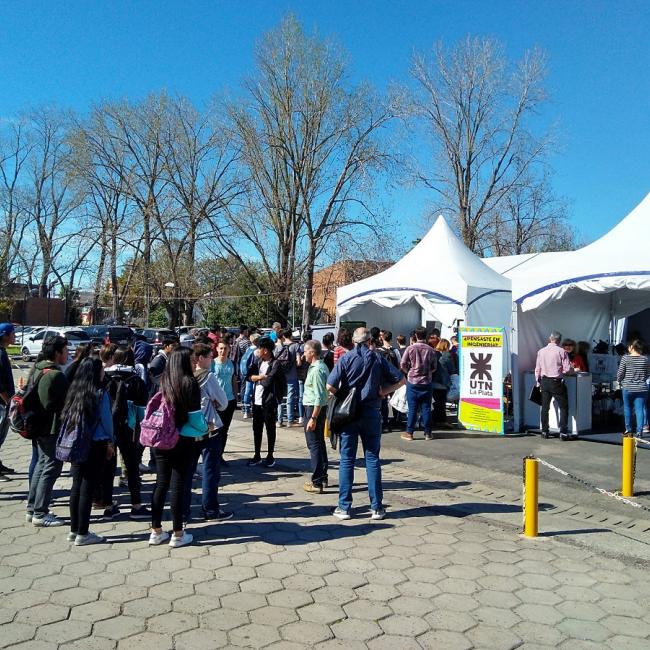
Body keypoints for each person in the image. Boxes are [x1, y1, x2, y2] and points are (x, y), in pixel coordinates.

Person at [326, 327, 404, 520]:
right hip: (371, 412)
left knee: (347, 460)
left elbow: (330, 385)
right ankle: (376, 507)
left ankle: (344, 507)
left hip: (349, 414)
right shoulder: (378, 358)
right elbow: (401, 379)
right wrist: (383, 392)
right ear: (371, 340)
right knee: (372, 459)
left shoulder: (345, 358)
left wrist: (345, 395)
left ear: (353, 341)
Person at [149, 347, 201, 548]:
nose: (195, 361)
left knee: (161, 483)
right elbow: (195, 416)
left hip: (160, 438)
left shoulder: (162, 381)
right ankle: (178, 533)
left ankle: (156, 530)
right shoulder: (189, 383)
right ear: (183, 362)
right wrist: (206, 428)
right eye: (192, 359)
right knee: (178, 485)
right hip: (182, 439)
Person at [60, 357, 115, 546]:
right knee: (87, 487)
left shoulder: (74, 391)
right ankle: (83, 532)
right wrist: (111, 441)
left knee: (76, 486)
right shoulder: (100, 393)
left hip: (76, 443)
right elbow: (107, 421)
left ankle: (74, 530)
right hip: (96, 444)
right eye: (101, 370)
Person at [26, 336, 69, 526]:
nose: (68, 353)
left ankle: (32, 508)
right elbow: (66, 401)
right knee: (51, 467)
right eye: (66, 350)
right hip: (51, 427)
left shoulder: (37, 367)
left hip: (37, 425)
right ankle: (40, 513)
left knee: (41, 465)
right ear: (58, 352)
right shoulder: (55, 375)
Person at [185, 342, 231, 521]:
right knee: (210, 470)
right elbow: (224, 403)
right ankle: (210, 509)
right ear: (201, 358)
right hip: (209, 428)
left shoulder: (184, 376)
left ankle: (183, 510)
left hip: (188, 430)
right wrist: (214, 402)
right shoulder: (208, 377)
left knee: (187, 472)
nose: (212, 360)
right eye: (210, 357)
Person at [102, 348, 150, 520]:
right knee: (131, 467)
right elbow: (141, 411)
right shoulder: (136, 379)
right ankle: (136, 505)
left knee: (108, 467)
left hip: (107, 428)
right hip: (129, 429)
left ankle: (108, 506)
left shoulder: (105, 376)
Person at [247, 337, 285, 467]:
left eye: (260, 348)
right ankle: (257, 455)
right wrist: (260, 377)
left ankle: (270, 455)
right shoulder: (258, 362)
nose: (258, 350)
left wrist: (257, 379)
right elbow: (248, 376)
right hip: (256, 401)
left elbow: (269, 381)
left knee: (270, 429)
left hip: (269, 401)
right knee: (256, 429)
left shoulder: (275, 364)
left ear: (266, 350)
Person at [301, 340, 329, 494]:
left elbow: (319, 396)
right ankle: (322, 476)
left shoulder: (317, 369)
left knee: (314, 445)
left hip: (314, 408)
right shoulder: (320, 366)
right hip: (316, 408)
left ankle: (317, 481)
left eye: (305, 351)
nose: (303, 354)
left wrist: (313, 417)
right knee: (318, 443)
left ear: (312, 352)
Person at [534, 331, 573, 440]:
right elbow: (566, 369)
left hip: (544, 381)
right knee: (564, 407)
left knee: (545, 407)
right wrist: (572, 371)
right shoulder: (561, 351)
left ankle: (544, 431)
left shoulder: (541, 351)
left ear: (549, 338)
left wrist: (538, 382)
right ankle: (563, 432)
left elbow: (537, 369)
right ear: (559, 340)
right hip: (556, 382)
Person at [400, 326, 437, 441]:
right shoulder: (431, 350)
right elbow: (434, 367)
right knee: (426, 408)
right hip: (426, 382)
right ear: (426, 336)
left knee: (412, 408)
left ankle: (409, 432)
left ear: (415, 336)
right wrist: (428, 373)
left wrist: (409, 372)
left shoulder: (410, 349)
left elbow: (403, 364)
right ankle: (428, 433)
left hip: (413, 381)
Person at [616, 339, 650, 435]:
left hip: (628, 387)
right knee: (639, 409)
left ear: (631, 347)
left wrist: (619, 380)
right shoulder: (645, 359)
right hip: (642, 388)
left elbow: (620, 373)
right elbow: (648, 373)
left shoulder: (625, 358)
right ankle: (639, 431)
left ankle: (628, 429)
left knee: (627, 408)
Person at [212, 340, 237, 461]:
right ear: (217, 349)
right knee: (216, 429)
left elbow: (233, 381)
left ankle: (220, 454)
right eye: (221, 348)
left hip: (229, 400)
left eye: (225, 348)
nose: (223, 351)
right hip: (215, 402)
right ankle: (213, 455)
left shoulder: (231, 364)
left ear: (229, 350)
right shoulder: (212, 363)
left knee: (225, 429)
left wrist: (236, 397)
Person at [0, 322, 16, 476]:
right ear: (4, 336)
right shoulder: (0, 354)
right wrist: (7, 400)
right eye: (12, 333)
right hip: (2, 403)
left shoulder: (3, 352)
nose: (15, 336)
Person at [276, 328, 300, 427]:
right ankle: (290, 420)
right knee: (290, 398)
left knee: (280, 398)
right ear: (291, 335)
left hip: (280, 375)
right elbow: (298, 363)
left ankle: (279, 420)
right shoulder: (296, 346)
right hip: (292, 374)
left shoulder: (278, 346)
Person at [432, 339, 454, 428]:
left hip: (432, 381)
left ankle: (433, 420)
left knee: (434, 402)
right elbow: (451, 369)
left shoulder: (433, 354)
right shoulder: (447, 355)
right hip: (442, 382)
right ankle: (441, 421)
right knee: (441, 403)